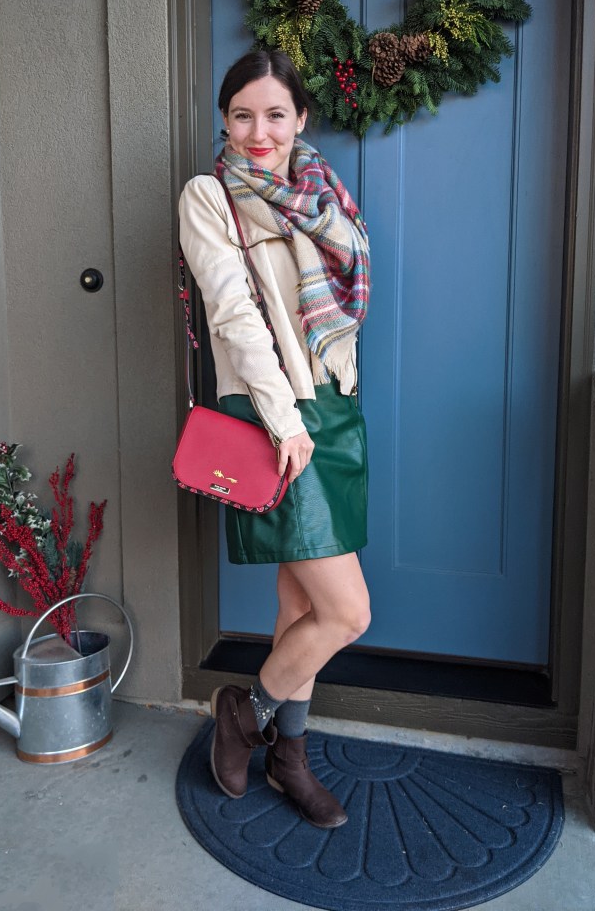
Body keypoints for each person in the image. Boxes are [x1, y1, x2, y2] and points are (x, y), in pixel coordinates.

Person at [178, 50, 371, 829]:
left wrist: (336, 395)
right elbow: (234, 317)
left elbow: (337, 308)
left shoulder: (318, 192)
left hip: (336, 412)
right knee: (347, 614)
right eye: (242, 116)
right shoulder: (209, 196)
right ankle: (243, 708)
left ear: (301, 120)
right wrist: (287, 422)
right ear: (224, 121)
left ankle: (290, 757)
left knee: (300, 603)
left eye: (275, 115)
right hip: (277, 416)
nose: (260, 132)